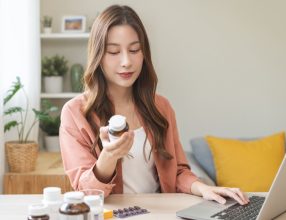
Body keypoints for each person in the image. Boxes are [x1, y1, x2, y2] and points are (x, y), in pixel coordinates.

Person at [59, 4, 249, 205]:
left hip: (161, 213)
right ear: (98, 56)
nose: (126, 61)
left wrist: (205, 188)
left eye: (134, 50)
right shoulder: (75, 113)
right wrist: (108, 157)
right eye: (113, 52)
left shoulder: (161, 107)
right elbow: (86, 192)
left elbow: (178, 172)